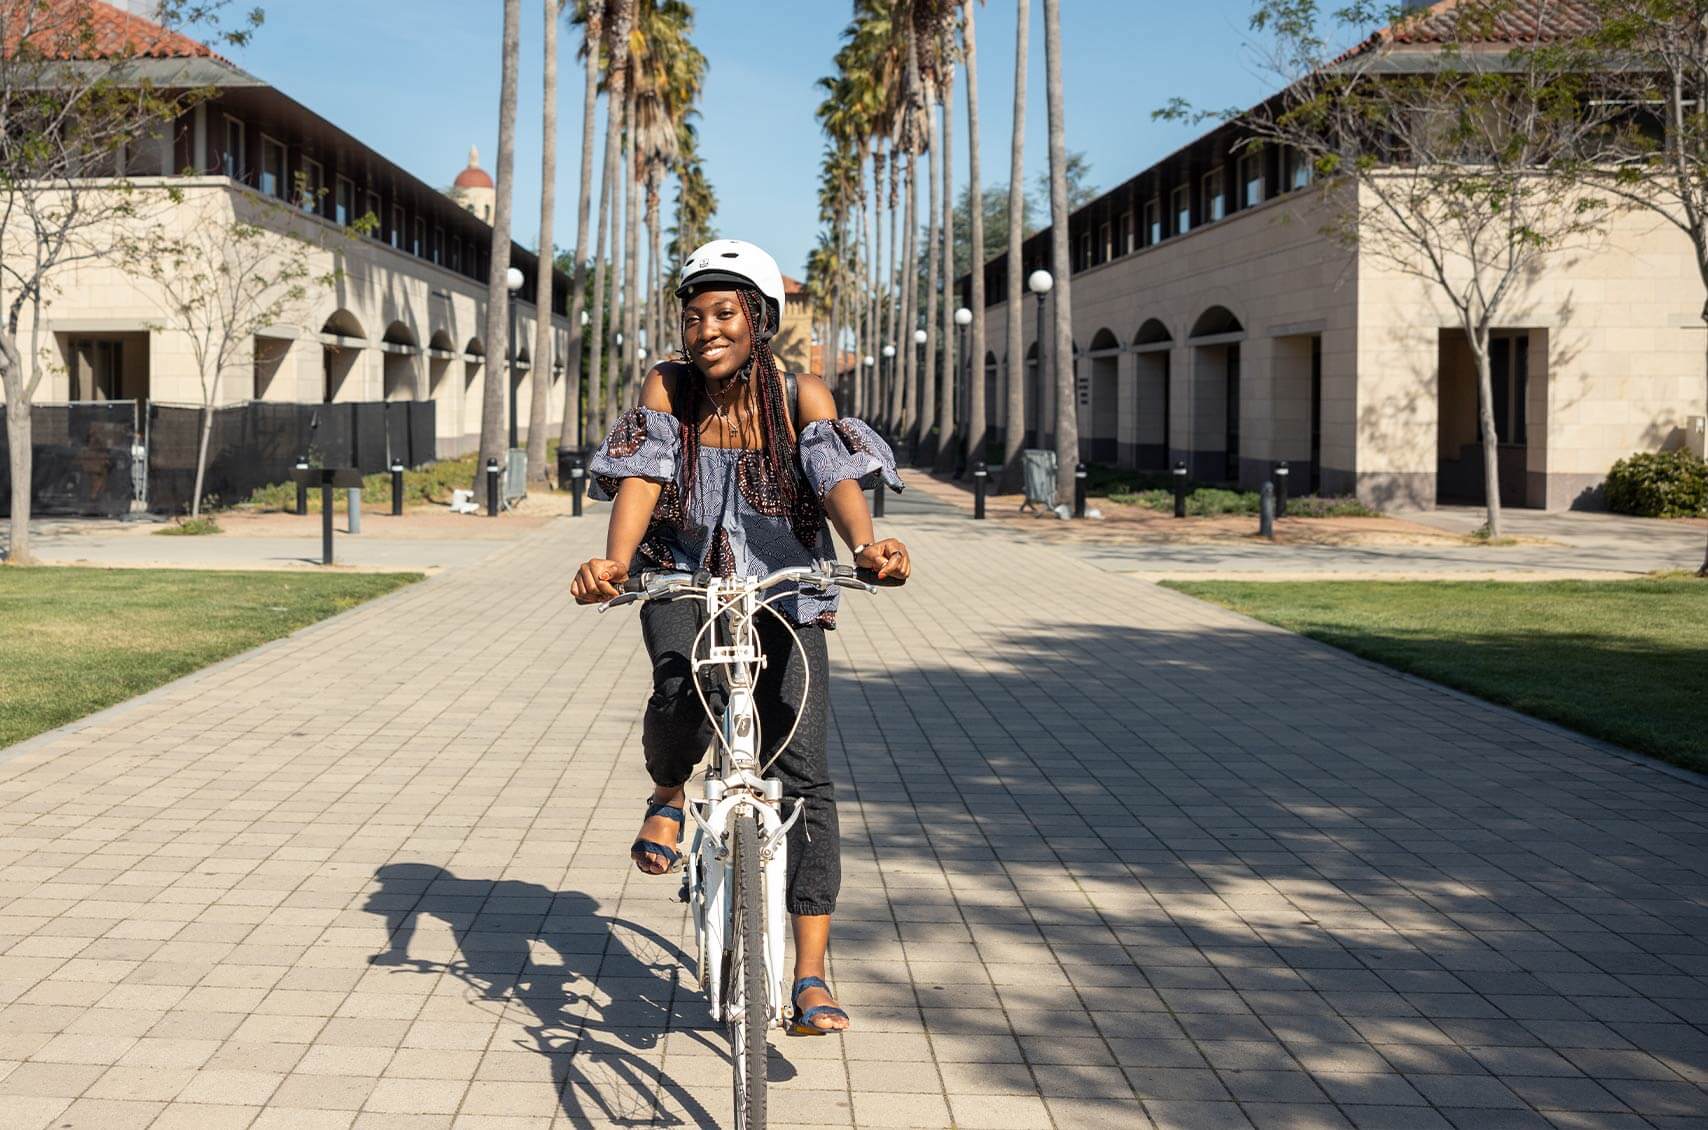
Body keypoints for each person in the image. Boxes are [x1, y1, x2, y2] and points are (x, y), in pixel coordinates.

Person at [570, 239, 909, 1036]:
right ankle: (667, 795)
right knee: (678, 689)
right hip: (681, 572)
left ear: (757, 319)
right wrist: (614, 565)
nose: (706, 330)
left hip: (785, 589)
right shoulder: (670, 387)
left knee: (808, 772)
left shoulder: (800, 394)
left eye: (724, 314)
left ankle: (812, 975)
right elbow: (646, 477)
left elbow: (834, 478)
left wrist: (866, 549)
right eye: (693, 317)